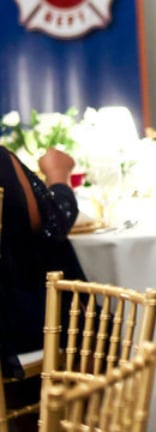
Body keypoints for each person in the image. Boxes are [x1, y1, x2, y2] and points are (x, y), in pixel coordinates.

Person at [0, 146, 85, 362]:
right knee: (92, 323)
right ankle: (78, 394)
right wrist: (58, 175)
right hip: (17, 329)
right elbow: (52, 225)